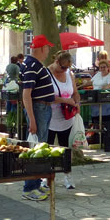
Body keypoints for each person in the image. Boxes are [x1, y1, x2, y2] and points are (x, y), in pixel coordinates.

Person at [20, 34, 56, 201]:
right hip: (39, 108)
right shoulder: (32, 65)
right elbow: (26, 94)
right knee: (36, 149)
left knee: (40, 147)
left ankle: (35, 183)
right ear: (42, 48)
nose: (49, 51)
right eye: (48, 47)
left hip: (43, 108)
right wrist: (32, 120)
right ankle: (29, 187)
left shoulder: (34, 64)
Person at [47, 51, 80, 190]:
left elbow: (75, 92)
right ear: (56, 62)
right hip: (49, 117)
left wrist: (77, 103)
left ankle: (67, 176)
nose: (65, 70)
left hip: (66, 117)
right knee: (47, 148)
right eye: (63, 67)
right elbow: (47, 96)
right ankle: (46, 178)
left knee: (65, 147)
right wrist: (65, 100)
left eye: (67, 68)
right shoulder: (47, 74)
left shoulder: (69, 74)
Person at [91, 60, 110, 129]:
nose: (103, 69)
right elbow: (90, 82)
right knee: (96, 117)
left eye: (104, 67)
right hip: (96, 97)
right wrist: (79, 87)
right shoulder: (97, 74)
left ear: (107, 67)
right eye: (101, 67)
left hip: (106, 99)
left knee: (106, 118)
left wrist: (102, 88)